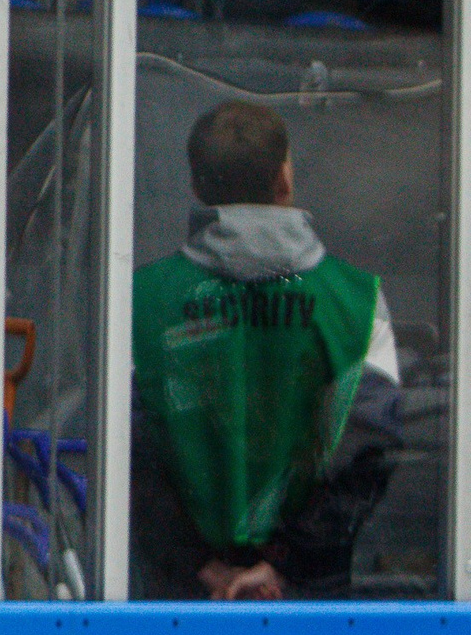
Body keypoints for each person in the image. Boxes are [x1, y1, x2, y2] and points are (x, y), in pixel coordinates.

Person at [132, 101, 402, 600]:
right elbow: (367, 454)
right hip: (309, 600)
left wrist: (201, 565)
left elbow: (131, 457)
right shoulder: (357, 301)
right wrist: (288, 567)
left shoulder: (138, 302)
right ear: (284, 180)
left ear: (195, 187)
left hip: (180, 602)